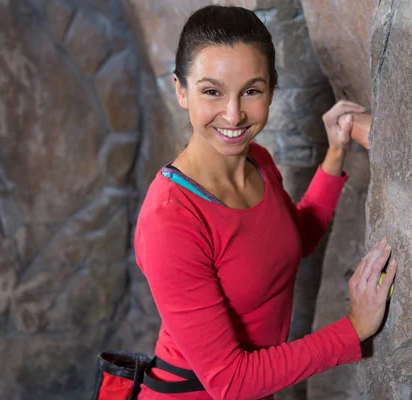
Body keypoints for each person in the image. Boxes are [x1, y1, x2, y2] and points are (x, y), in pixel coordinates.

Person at [134, 5, 397, 400]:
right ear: (180, 90)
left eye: (251, 91)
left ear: (271, 88)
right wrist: (354, 328)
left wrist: (335, 153)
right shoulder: (169, 221)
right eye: (212, 91)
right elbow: (231, 381)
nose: (234, 113)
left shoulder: (257, 159)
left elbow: (292, 239)